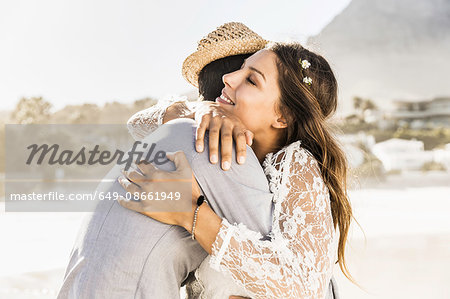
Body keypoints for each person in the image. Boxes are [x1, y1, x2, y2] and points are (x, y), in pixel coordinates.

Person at [57, 22, 286, 299]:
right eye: (249, 77)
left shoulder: (171, 133)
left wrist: (196, 108)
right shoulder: (222, 148)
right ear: (228, 89)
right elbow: (277, 275)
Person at [119, 41, 352, 298]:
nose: (228, 79)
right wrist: (199, 109)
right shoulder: (220, 152)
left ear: (282, 117)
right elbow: (138, 125)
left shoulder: (295, 163)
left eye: (251, 80)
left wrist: (190, 213)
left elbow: (302, 288)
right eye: (240, 68)